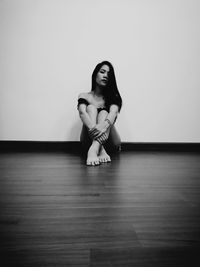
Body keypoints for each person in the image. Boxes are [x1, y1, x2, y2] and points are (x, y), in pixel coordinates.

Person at [77, 61, 122, 166]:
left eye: (108, 74)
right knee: (91, 108)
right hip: (88, 139)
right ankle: (99, 149)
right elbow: (82, 112)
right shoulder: (84, 96)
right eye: (102, 72)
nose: (106, 75)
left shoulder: (113, 97)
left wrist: (102, 126)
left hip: (111, 142)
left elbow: (113, 113)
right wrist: (95, 129)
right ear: (95, 75)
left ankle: (93, 150)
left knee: (104, 113)